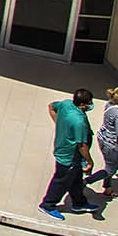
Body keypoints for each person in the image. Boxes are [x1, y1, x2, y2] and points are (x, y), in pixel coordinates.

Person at [39, 87, 97, 220]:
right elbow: (82, 145)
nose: (90, 105)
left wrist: (60, 124)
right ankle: (48, 204)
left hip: (68, 152)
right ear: (82, 104)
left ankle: (79, 202)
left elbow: (51, 106)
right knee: (61, 181)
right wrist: (89, 161)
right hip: (69, 156)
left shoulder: (66, 104)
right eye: (89, 103)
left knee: (76, 178)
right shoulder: (78, 121)